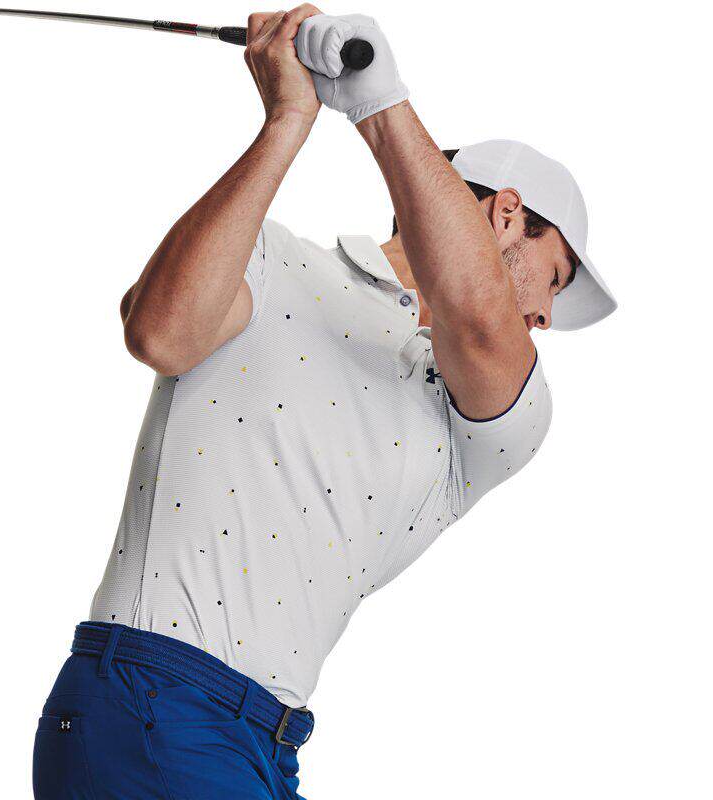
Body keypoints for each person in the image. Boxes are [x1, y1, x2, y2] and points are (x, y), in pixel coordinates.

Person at [32, 7, 617, 799]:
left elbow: (479, 320)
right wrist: (288, 122)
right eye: (551, 280)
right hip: (151, 699)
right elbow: (159, 334)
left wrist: (380, 101)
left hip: (266, 739)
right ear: (505, 215)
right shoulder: (271, 259)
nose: (544, 317)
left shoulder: (495, 421)